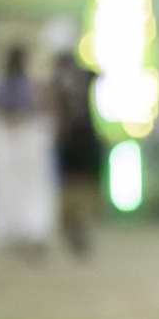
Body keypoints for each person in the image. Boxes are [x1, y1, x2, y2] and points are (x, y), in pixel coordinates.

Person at [0, 40, 59, 250]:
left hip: (22, 140)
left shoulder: (26, 84)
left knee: (22, 187)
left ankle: (28, 227)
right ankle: (17, 227)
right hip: (13, 141)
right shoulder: (15, 84)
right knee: (14, 187)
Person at [52, 48, 104, 254]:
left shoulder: (67, 80)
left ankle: (78, 224)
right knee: (76, 186)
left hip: (77, 141)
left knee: (78, 186)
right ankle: (76, 224)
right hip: (74, 141)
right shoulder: (71, 80)